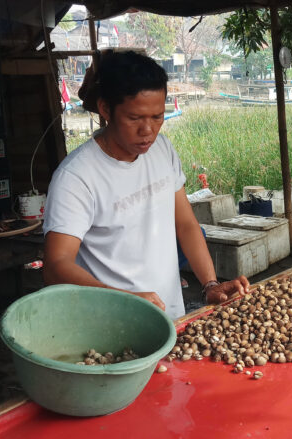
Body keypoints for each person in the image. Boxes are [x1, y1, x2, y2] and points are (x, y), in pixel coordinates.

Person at [43, 50, 249, 320]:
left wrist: (210, 284)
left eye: (157, 117)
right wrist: (124, 300)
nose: (148, 131)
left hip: (173, 318)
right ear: (106, 109)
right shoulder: (76, 177)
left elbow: (186, 224)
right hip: (112, 325)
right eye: (135, 118)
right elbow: (56, 266)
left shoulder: (162, 149)